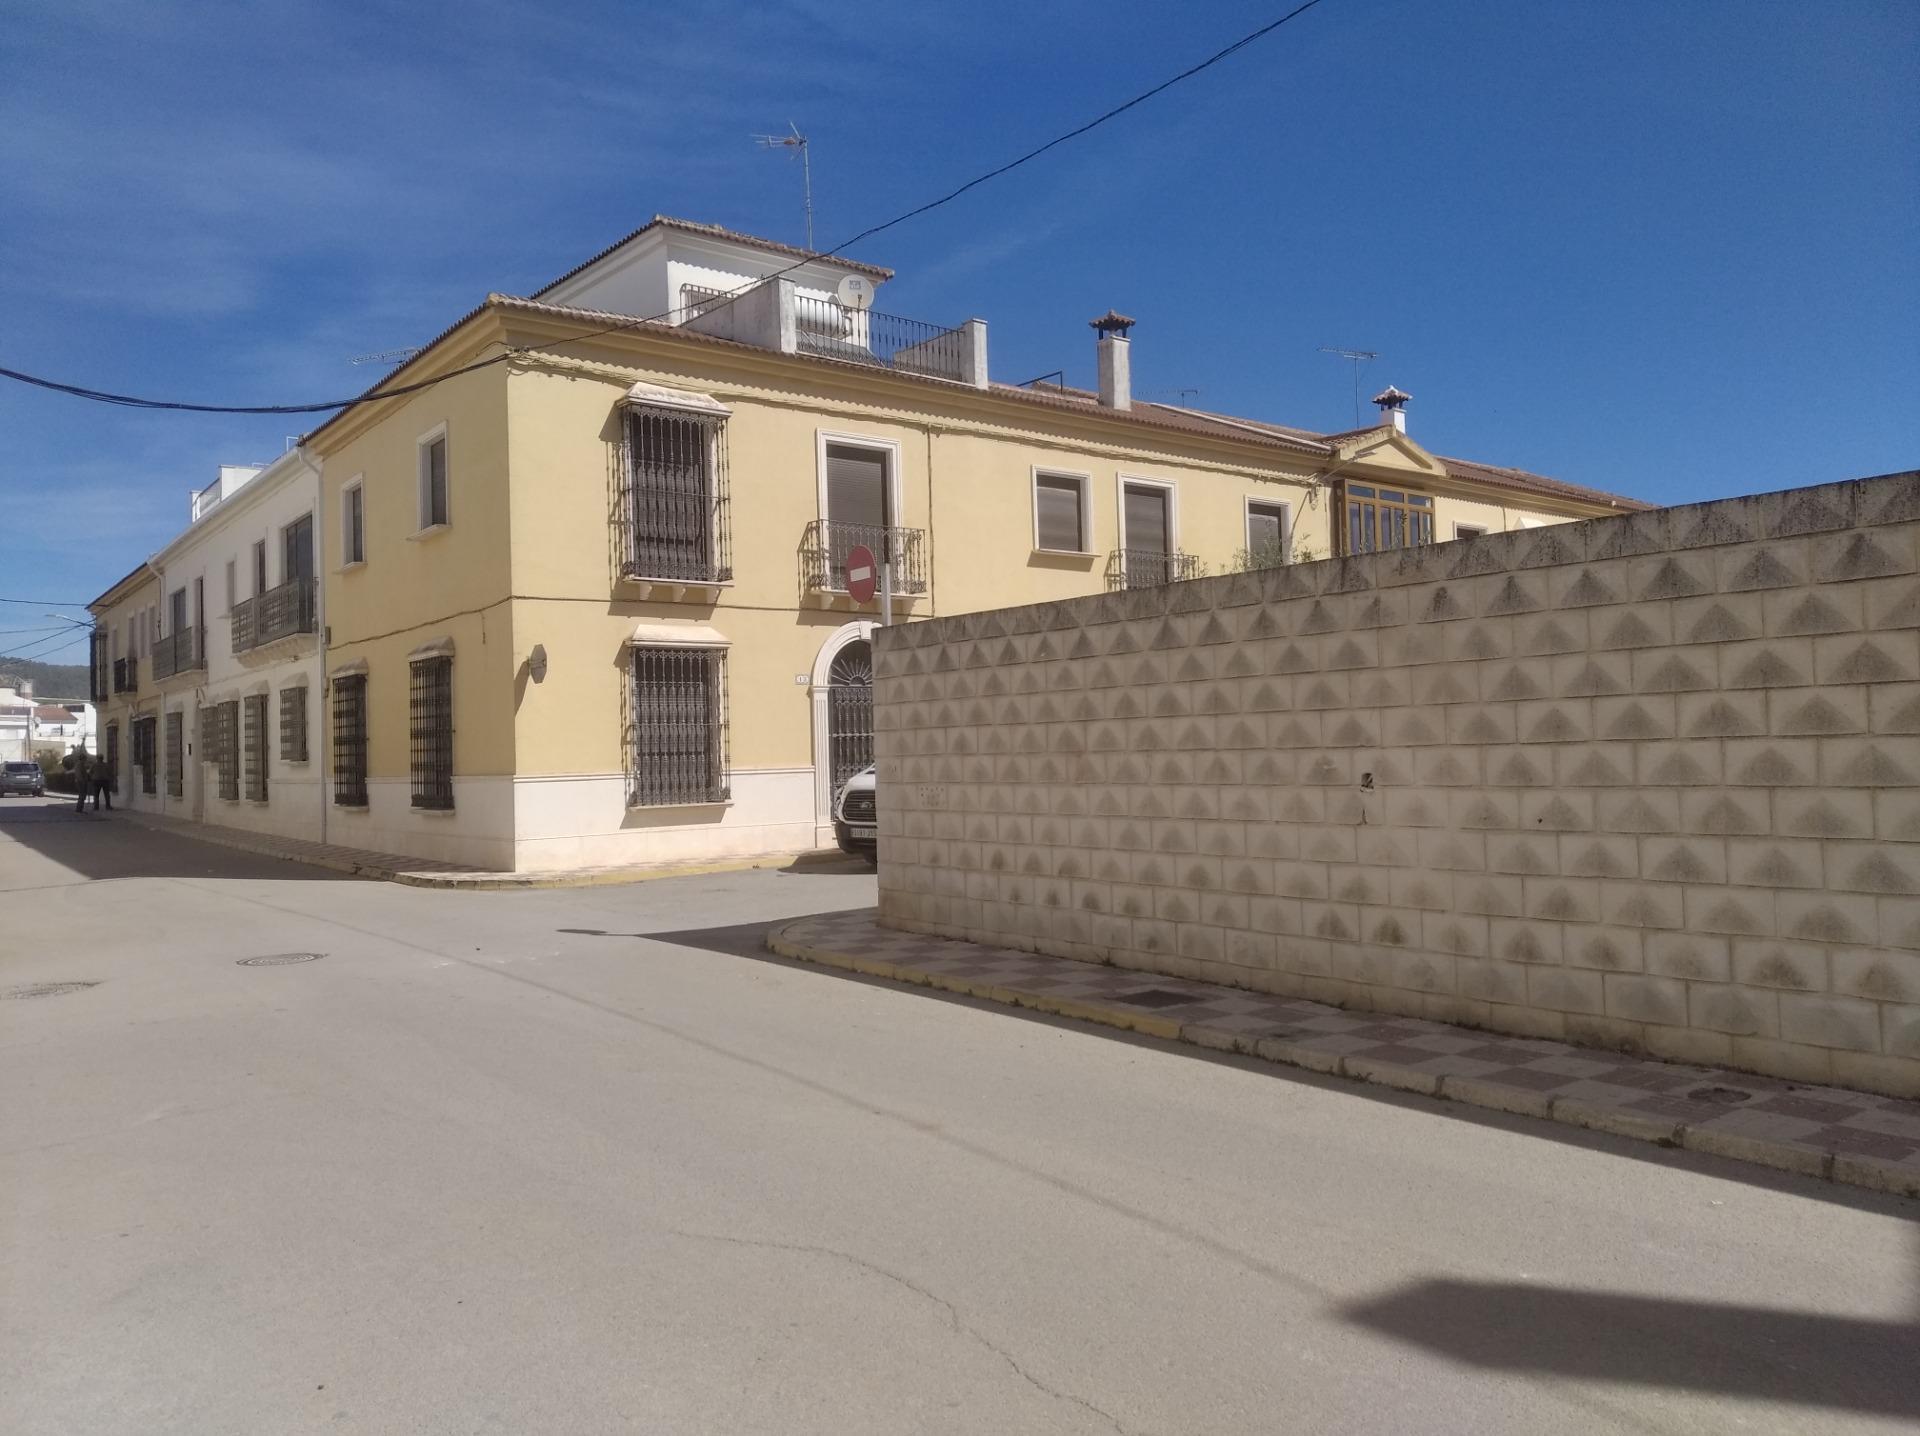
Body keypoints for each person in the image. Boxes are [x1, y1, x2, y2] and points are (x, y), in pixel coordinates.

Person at [70, 745, 93, 814]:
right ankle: (79, 809)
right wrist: (83, 781)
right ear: (83, 759)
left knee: (81, 795)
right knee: (82, 795)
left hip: (79, 781)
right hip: (81, 782)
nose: (86, 760)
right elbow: (80, 774)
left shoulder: (78, 764)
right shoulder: (80, 765)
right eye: (85, 759)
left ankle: (79, 809)